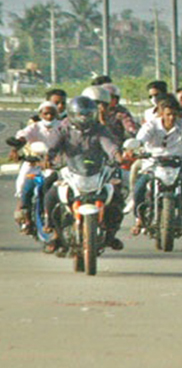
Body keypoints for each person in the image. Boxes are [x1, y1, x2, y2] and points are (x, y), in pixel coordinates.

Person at [43, 97, 127, 252]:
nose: (84, 118)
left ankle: (111, 234)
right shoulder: (63, 128)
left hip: (96, 172)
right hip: (69, 171)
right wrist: (48, 157)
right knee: (50, 192)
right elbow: (53, 145)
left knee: (117, 197)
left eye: (88, 115)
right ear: (72, 114)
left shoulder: (99, 129)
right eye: (81, 114)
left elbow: (109, 144)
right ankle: (52, 229)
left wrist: (117, 155)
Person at [130, 96, 182, 239]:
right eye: (168, 114)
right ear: (161, 113)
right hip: (153, 164)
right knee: (139, 188)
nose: (171, 118)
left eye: (174, 114)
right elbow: (140, 139)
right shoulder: (151, 125)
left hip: (177, 164)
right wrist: (133, 148)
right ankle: (139, 219)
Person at [9, 101, 65, 233]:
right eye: (46, 113)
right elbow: (23, 136)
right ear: (40, 114)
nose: (49, 116)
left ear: (57, 114)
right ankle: (25, 217)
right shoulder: (35, 127)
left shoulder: (62, 127)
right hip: (34, 163)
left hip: (55, 165)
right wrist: (15, 148)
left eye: (52, 113)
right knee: (23, 185)